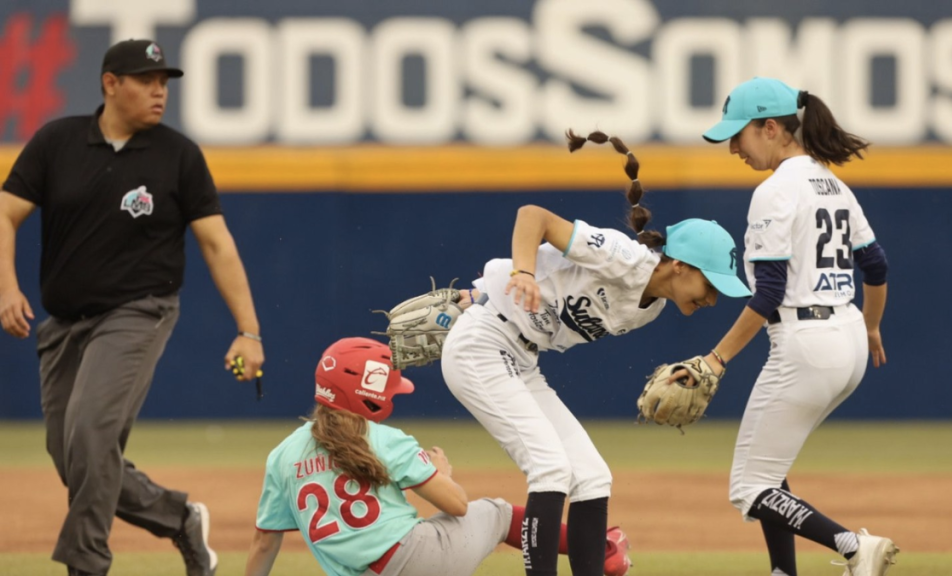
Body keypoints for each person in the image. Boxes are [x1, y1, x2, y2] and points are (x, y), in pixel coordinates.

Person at [0, 39, 264, 576]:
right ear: (110, 83)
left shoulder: (177, 154)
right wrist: (7, 286)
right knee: (74, 457)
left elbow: (218, 245)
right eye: (146, 80)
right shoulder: (57, 141)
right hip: (64, 325)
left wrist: (249, 331)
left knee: (92, 432)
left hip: (138, 313)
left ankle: (87, 564)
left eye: (164, 82)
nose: (159, 91)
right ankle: (178, 517)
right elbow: (4, 214)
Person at [438, 131, 752, 576]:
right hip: (484, 344)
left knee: (591, 475)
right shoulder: (623, 257)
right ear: (680, 265)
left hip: (521, 359)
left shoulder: (651, 310)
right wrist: (520, 275)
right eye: (711, 284)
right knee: (549, 468)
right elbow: (534, 216)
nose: (713, 299)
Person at [691, 77, 897, 576]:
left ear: (769, 128)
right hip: (846, 338)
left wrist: (715, 359)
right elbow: (876, 266)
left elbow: (769, 293)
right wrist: (869, 327)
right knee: (770, 469)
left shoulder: (775, 190)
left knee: (748, 486)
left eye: (737, 136)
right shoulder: (833, 184)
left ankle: (852, 545)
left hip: (806, 344)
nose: (733, 149)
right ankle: (784, 571)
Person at [244, 336, 633, 576]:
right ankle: (603, 551)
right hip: (419, 562)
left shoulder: (282, 456)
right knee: (496, 512)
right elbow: (457, 505)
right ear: (366, 392)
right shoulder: (382, 438)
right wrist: (441, 472)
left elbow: (265, 542)